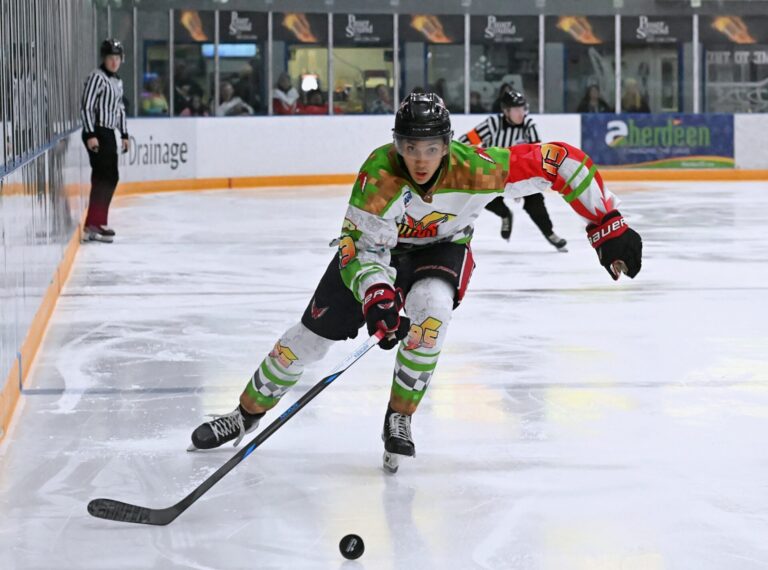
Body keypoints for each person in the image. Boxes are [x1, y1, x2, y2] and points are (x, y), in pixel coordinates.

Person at [187, 90, 643, 474]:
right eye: (410, 147)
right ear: (397, 145)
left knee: (431, 313)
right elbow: (361, 249)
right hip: (375, 254)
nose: (419, 160)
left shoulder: (479, 168)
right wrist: (377, 296)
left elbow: (561, 162)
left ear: (447, 145)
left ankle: (398, 418)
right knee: (306, 342)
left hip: (441, 251)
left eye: (429, 148)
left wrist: (608, 224)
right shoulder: (378, 175)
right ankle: (244, 414)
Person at [460, 89, 567, 251]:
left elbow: (537, 156)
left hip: (522, 174)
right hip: (494, 173)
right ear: (506, 111)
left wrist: (522, 185)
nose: (521, 113)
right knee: (478, 193)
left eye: (523, 108)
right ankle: (504, 214)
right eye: (516, 110)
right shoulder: (492, 124)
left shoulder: (529, 126)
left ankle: (550, 233)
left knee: (535, 201)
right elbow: (465, 142)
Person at [80, 38, 129, 243]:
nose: (114, 62)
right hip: (97, 131)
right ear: (104, 58)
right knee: (102, 176)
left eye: (117, 58)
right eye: (111, 58)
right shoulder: (97, 78)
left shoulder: (117, 82)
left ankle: (97, 221)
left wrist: (124, 134)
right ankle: (93, 224)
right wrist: (91, 134)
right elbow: (87, 106)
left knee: (111, 177)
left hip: (109, 133)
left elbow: (119, 110)